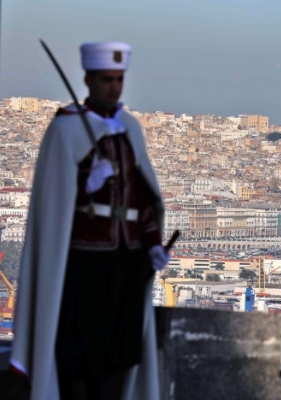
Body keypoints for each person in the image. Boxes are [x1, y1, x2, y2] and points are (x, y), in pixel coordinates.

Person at [10, 42, 168, 400]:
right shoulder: (66, 130)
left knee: (120, 356)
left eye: (119, 79)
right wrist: (86, 183)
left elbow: (143, 199)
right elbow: (55, 201)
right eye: (106, 80)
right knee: (80, 357)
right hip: (83, 264)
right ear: (88, 80)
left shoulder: (130, 128)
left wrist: (153, 244)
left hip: (127, 263)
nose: (113, 87)